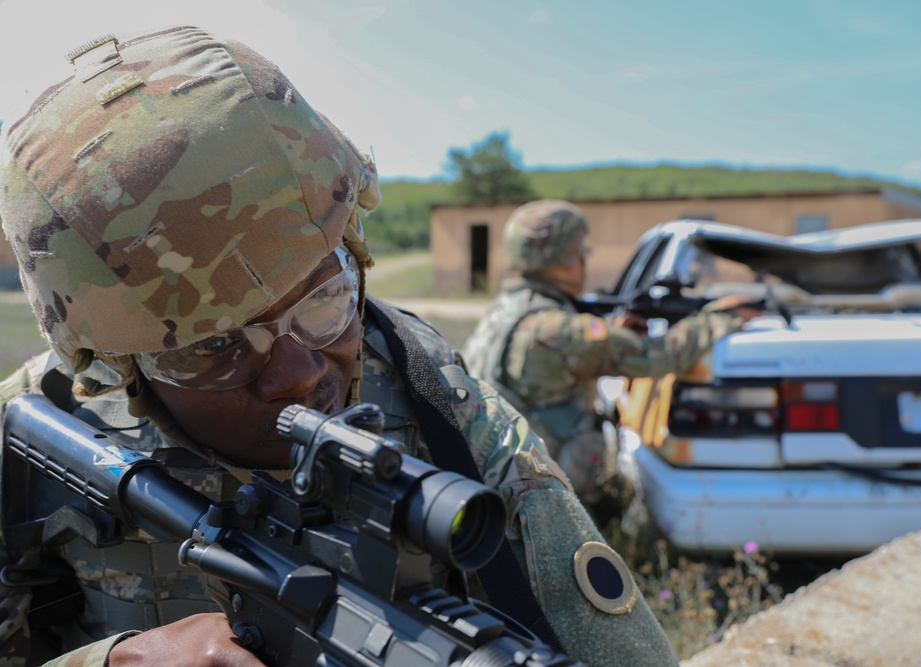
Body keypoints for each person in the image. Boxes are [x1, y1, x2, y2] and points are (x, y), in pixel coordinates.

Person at [0, 25, 681, 667]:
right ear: (118, 364)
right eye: (212, 348)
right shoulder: (38, 425)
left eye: (323, 300)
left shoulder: (445, 411)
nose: (298, 373)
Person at [462, 200, 761, 507]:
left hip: (495, 472)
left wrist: (612, 332)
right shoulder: (563, 331)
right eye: (582, 254)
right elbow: (659, 356)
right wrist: (718, 318)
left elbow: (562, 352)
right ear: (565, 261)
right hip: (539, 495)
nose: (584, 262)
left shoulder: (505, 311)